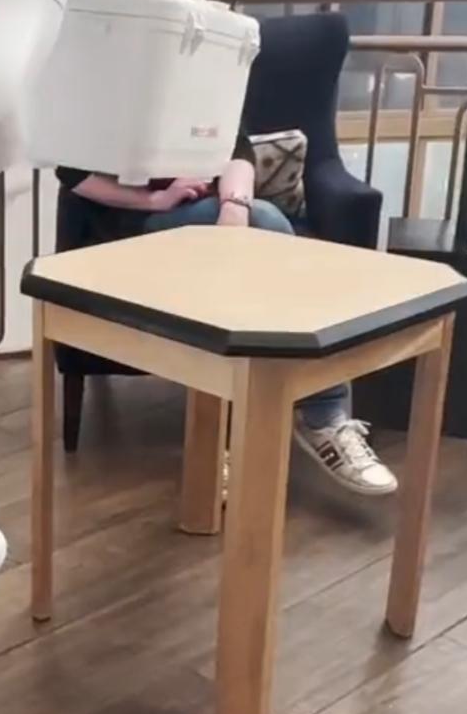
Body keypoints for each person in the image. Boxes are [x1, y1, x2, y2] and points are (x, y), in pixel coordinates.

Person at [55, 123, 397, 496]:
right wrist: (154, 200)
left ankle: (232, 443)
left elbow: (237, 144)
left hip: (208, 210)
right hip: (130, 225)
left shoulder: (202, 86)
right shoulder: (96, 91)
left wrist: (235, 206)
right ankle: (321, 416)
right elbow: (70, 172)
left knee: (258, 241)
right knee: (268, 224)